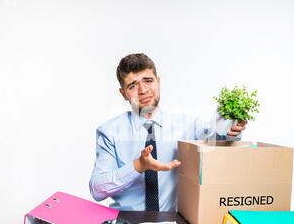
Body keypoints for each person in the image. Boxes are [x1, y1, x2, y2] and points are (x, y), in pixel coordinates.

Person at [89, 53, 247, 211]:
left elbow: (218, 143)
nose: (143, 90)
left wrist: (231, 131)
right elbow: (97, 189)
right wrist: (138, 166)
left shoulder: (187, 124)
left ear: (158, 82)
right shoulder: (109, 132)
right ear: (123, 93)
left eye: (148, 81)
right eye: (132, 86)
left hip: (174, 222)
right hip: (127, 222)